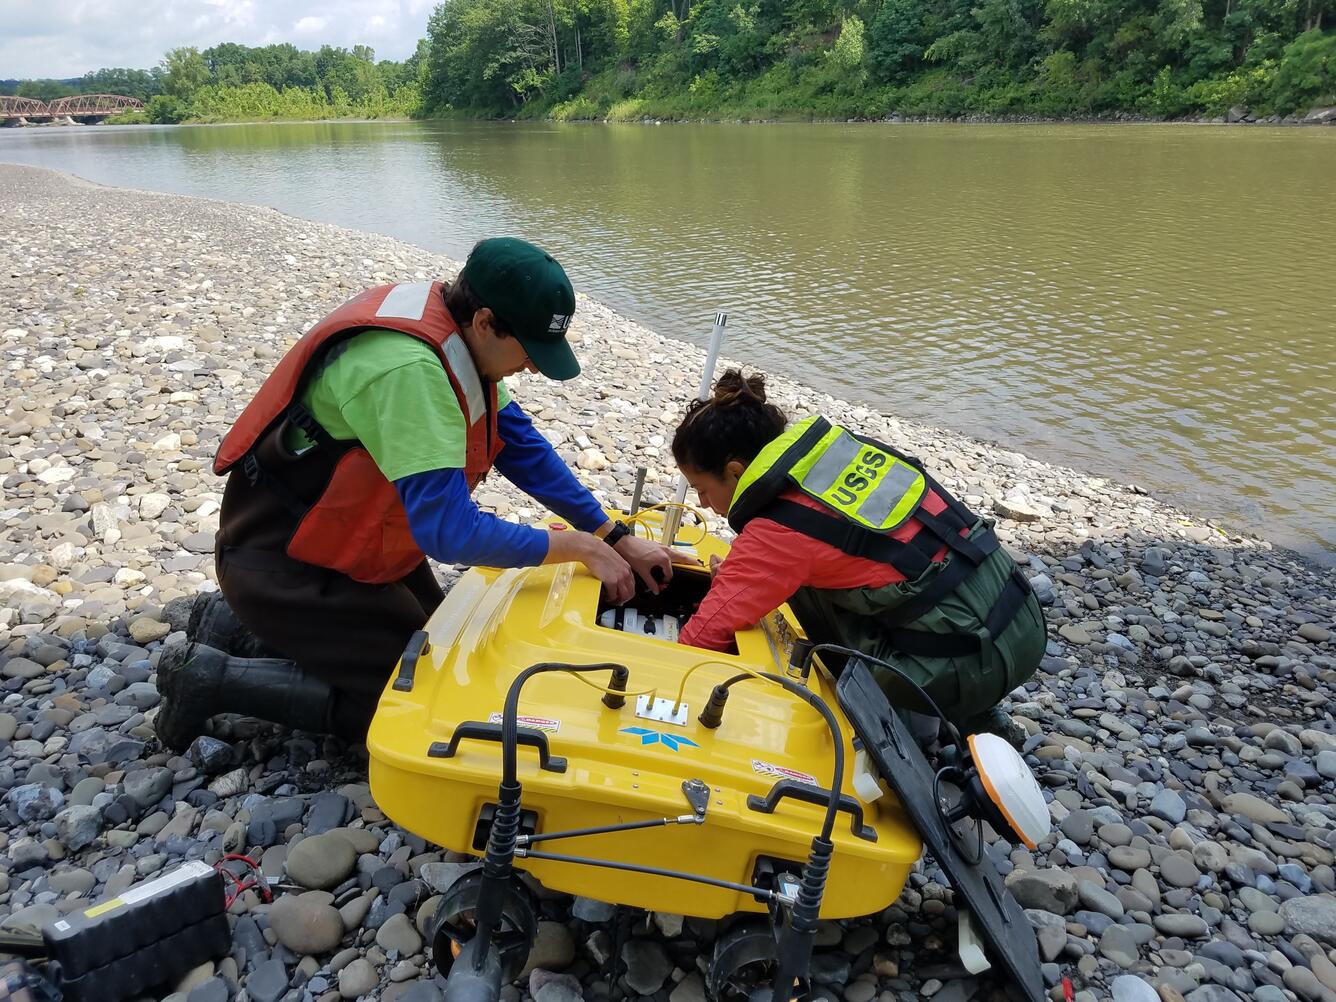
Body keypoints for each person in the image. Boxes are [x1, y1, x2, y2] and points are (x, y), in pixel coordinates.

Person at [154, 237, 675, 751]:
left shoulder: (456, 332)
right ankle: (207, 678)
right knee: (425, 702)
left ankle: (236, 626)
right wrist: (576, 546)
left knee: (447, 650)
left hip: (354, 545)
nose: (535, 368)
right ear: (486, 321)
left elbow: (518, 445)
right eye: (531, 352)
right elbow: (448, 532)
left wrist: (613, 533)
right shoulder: (410, 372)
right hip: (286, 561)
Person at [670, 369, 1046, 743]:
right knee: (832, 571)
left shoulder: (776, 531)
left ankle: (906, 730)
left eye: (702, 489)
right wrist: (743, 573)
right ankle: (978, 716)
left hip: (975, 663)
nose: (703, 503)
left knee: (802, 591)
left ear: (735, 472)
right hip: (1019, 617)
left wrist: (663, 677)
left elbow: (704, 634)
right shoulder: (837, 456)